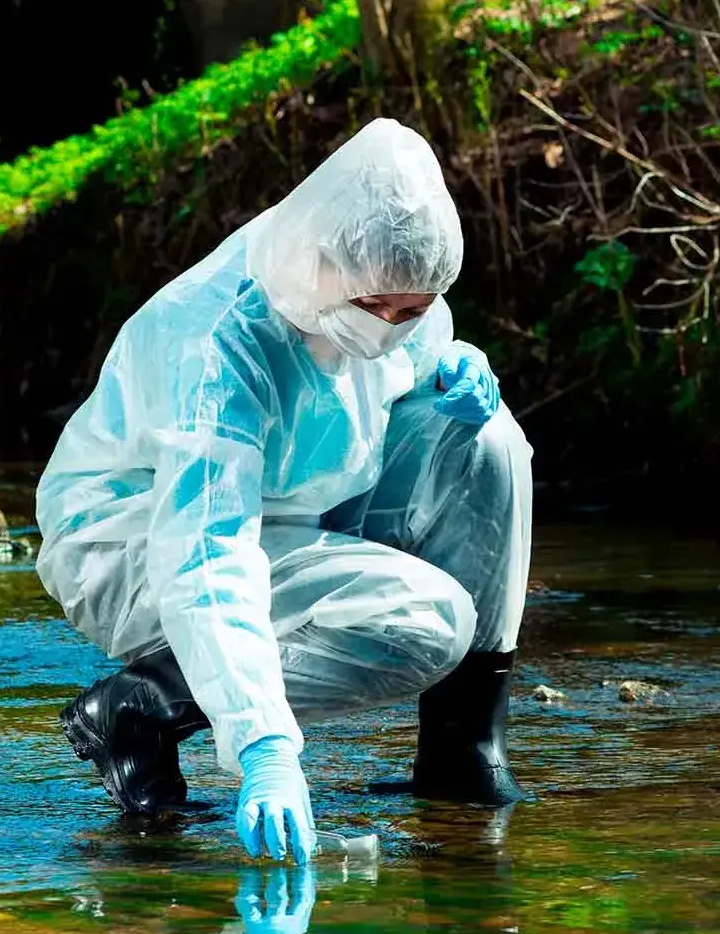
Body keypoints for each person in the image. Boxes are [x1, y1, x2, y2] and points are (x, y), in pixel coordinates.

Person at [35, 117, 534, 863]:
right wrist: (264, 746)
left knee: (488, 438)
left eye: (417, 311)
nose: (398, 327)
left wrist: (454, 363)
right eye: (381, 311)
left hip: (303, 503)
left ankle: (463, 749)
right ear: (333, 272)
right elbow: (207, 550)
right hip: (134, 540)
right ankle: (147, 705)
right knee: (429, 623)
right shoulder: (219, 344)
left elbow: (399, 365)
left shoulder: (386, 277)